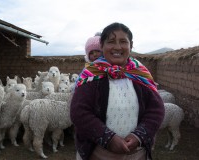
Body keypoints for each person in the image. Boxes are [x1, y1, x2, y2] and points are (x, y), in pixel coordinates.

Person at [70, 22, 165, 160]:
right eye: (111, 42)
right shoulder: (91, 75)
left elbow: (156, 109)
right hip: (97, 154)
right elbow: (79, 112)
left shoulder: (140, 73)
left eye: (123, 41)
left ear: (130, 45)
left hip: (137, 154)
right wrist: (108, 138)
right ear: (102, 46)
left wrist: (138, 136)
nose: (117, 47)